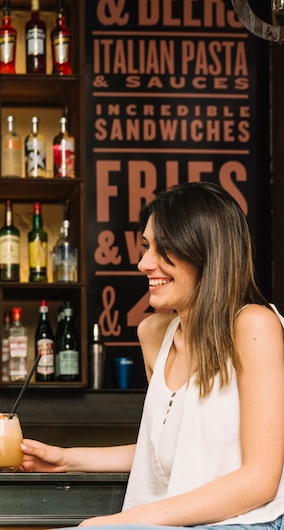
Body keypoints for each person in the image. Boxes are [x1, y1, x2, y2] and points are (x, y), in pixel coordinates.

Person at [20, 181, 284, 529]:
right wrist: (67, 458)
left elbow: (260, 481)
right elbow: (163, 449)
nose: (144, 263)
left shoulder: (255, 325)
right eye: (146, 247)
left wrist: (124, 522)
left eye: (164, 249)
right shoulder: (154, 333)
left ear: (208, 253)